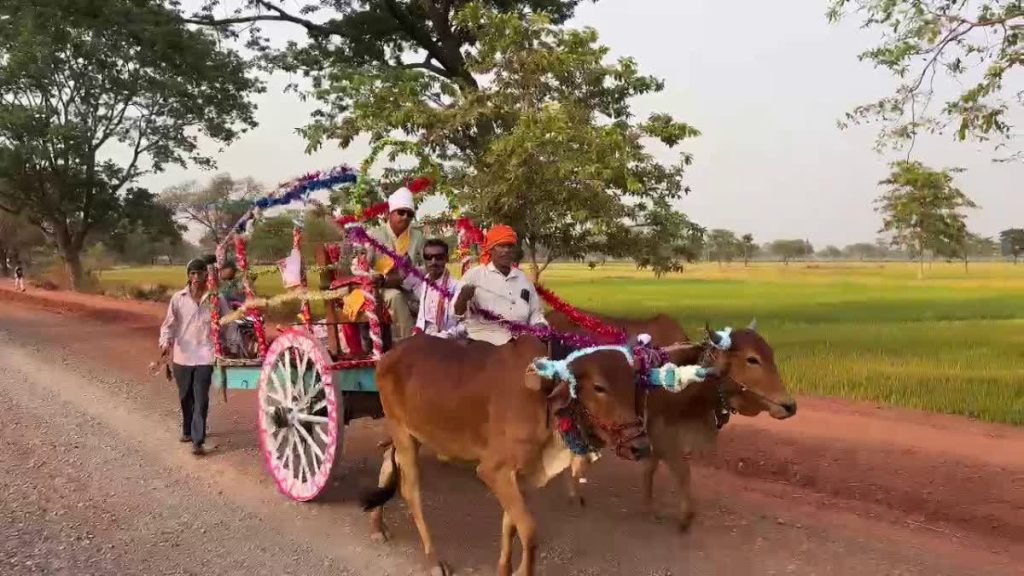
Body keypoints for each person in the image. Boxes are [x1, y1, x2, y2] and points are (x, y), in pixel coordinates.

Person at [159, 258, 239, 456]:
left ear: (206, 275)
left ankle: (198, 440)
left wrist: (233, 344)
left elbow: (228, 322)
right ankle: (187, 429)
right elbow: (168, 324)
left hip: (205, 354)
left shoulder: (215, 298)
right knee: (186, 396)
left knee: (201, 398)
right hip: (182, 355)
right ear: (188, 276)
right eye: (192, 273)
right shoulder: (178, 298)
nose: (196, 277)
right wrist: (165, 341)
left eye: (200, 273)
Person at [454, 225, 548, 345]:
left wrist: (539, 323)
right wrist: (462, 298)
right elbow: (456, 315)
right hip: (483, 344)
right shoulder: (474, 275)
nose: (506, 250)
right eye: (501, 246)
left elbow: (535, 312)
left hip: (519, 343)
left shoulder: (523, 279)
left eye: (510, 246)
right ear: (490, 249)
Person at [365, 186, 425, 341]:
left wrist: (411, 272)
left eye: (409, 214)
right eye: (401, 212)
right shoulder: (374, 235)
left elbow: (428, 265)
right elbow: (361, 266)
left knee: (431, 297)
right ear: (388, 214)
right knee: (396, 297)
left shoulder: (417, 237)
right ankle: (409, 344)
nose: (405, 217)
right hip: (381, 288)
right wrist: (381, 277)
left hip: (410, 286)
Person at [414, 239, 465, 339]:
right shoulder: (424, 283)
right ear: (424, 259)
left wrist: (444, 336)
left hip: (448, 342)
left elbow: (466, 325)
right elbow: (421, 320)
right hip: (424, 338)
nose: (433, 262)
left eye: (439, 257)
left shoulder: (458, 287)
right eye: (428, 257)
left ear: (447, 258)